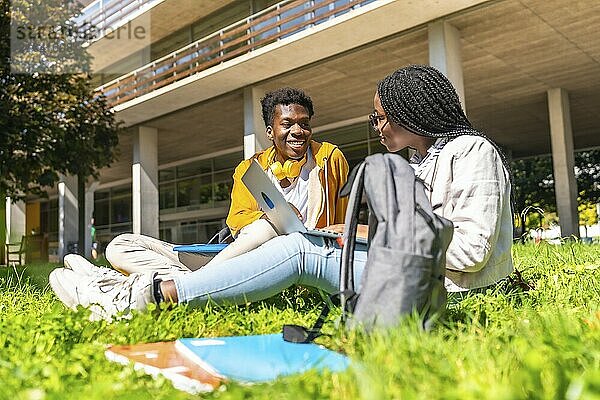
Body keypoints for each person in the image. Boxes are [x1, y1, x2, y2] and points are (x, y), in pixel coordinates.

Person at [50, 65, 514, 321]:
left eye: (380, 117)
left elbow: (471, 251)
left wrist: (365, 234)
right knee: (296, 242)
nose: (376, 128)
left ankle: (140, 297)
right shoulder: (419, 162)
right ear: (269, 131)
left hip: (442, 287)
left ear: (410, 112)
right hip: (403, 270)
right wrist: (359, 233)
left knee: (299, 248)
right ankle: (143, 283)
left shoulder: (473, 153)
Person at [61, 87, 349, 280]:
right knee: (120, 246)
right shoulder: (251, 168)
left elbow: (342, 220)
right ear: (271, 132)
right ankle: (198, 281)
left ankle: (186, 284)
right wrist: (273, 217)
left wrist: (303, 230)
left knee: (267, 226)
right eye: (288, 124)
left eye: (305, 123)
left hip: (297, 257)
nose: (298, 131)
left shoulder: (329, 158)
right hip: (244, 254)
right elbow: (237, 221)